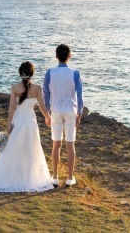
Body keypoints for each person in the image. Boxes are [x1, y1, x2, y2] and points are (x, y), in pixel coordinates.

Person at [0, 61, 54, 192]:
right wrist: (48, 118)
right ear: (32, 74)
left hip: (18, 121)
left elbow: (12, 107)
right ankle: (30, 177)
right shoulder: (37, 88)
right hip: (30, 121)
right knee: (31, 149)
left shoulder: (14, 88)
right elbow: (42, 106)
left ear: (20, 74)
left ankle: (13, 176)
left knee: (14, 148)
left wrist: (9, 125)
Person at [43, 43, 84, 187]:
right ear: (69, 56)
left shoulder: (49, 73)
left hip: (56, 110)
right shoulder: (75, 73)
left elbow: (45, 94)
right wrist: (80, 113)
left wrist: (47, 113)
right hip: (70, 110)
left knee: (56, 144)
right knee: (70, 143)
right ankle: (69, 177)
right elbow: (80, 95)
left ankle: (55, 177)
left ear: (56, 56)